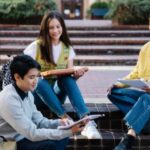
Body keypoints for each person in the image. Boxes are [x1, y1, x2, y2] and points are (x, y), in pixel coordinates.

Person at [23, 10, 101, 139]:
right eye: (51, 27)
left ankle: (87, 122)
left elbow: (69, 78)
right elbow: (25, 74)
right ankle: (66, 119)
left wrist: (77, 75)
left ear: (62, 28)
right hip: (36, 97)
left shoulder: (67, 49)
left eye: (58, 27)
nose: (55, 30)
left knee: (67, 78)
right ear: (45, 29)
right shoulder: (35, 47)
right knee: (39, 81)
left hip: (56, 97)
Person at [0, 55, 86, 150]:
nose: (36, 81)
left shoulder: (27, 93)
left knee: (61, 138)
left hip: (26, 137)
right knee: (50, 144)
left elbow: (40, 122)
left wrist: (60, 123)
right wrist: (69, 131)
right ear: (17, 77)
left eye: (37, 76)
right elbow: (32, 133)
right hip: (12, 142)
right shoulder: (8, 99)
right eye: (32, 77)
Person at [107, 41, 150, 150]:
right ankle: (143, 121)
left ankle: (130, 135)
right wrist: (119, 84)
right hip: (147, 93)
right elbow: (136, 71)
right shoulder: (146, 48)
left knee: (146, 98)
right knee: (114, 93)